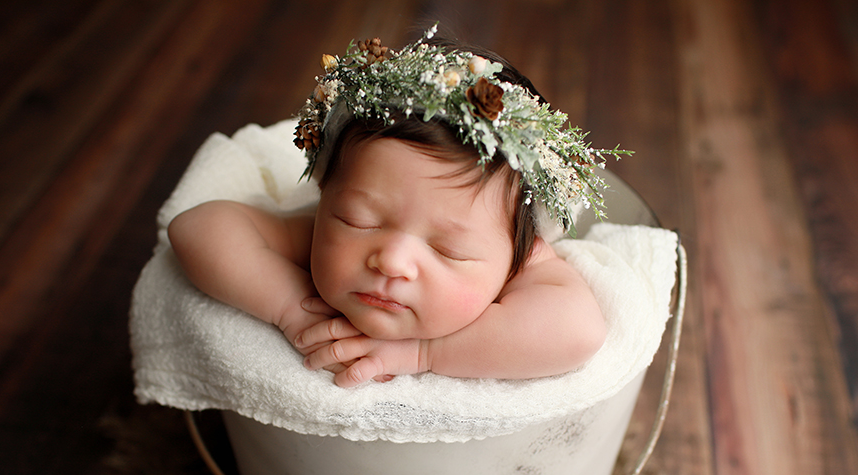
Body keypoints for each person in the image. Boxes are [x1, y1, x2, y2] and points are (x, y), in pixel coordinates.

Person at [168, 28, 626, 388]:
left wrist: (424, 353)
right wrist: (292, 308)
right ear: (326, 197)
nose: (391, 260)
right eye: (359, 221)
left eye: (447, 250)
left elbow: (578, 331)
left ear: (517, 253)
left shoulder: (520, 258)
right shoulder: (318, 236)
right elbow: (197, 227)